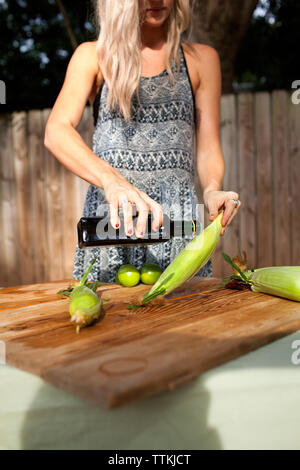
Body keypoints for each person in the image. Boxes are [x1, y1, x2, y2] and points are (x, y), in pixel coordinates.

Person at [44, 0, 241, 283]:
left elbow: (208, 145)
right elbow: (57, 131)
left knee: (186, 322)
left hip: (177, 228)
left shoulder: (202, 60)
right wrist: (111, 180)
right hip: (111, 224)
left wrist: (212, 189)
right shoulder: (93, 56)